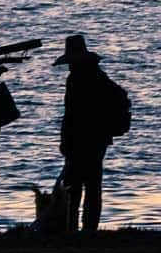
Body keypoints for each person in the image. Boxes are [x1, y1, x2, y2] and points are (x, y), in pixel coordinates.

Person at [55, 33, 130, 234]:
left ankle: (73, 227)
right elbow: (121, 96)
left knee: (75, 184)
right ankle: (88, 228)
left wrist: (65, 141)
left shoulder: (77, 80)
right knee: (92, 183)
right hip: (98, 138)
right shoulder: (99, 77)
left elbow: (71, 115)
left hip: (80, 138)